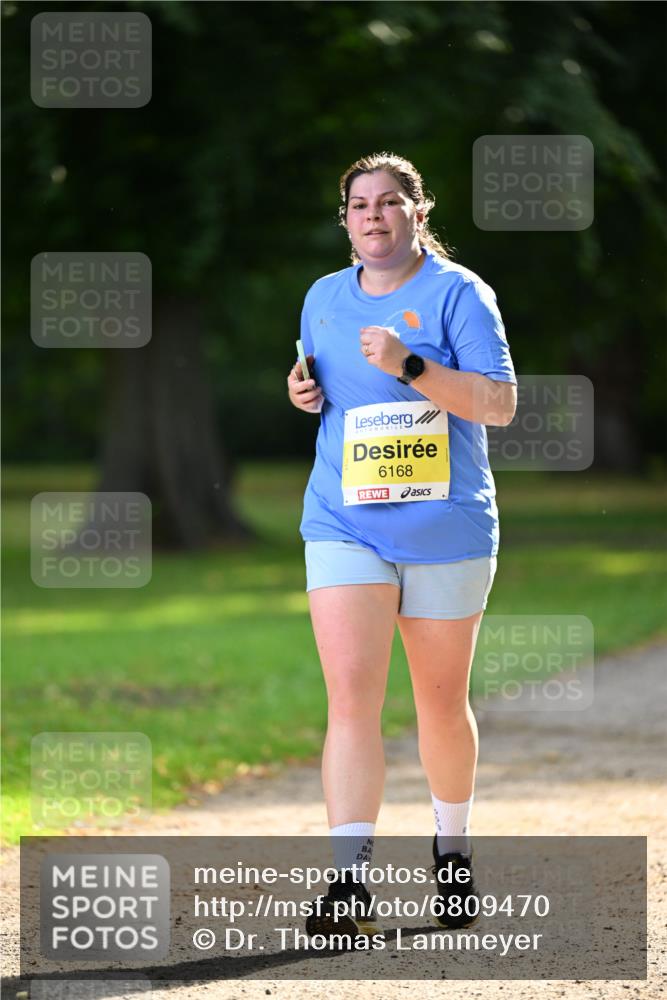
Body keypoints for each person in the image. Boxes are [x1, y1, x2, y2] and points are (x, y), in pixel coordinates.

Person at [286, 152, 517, 945]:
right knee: (349, 699)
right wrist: (302, 389)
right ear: (344, 220)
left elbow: (498, 404)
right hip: (344, 521)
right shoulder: (322, 297)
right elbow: (323, 383)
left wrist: (412, 365)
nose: (372, 217)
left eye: (389, 203)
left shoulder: (458, 292)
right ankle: (349, 880)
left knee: (438, 705)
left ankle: (450, 851)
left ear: (418, 213)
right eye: (358, 205)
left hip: (444, 528)